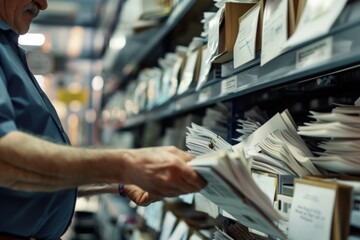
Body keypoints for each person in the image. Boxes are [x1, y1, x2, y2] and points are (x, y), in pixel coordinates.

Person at [0, 0, 206, 239]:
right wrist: (126, 164)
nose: (43, 4)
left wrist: (120, 179)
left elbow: (27, 177)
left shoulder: (8, 47)